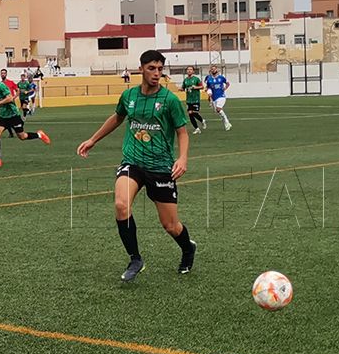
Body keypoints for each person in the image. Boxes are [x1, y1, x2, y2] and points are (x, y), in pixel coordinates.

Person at [77, 49, 196, 282]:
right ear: (141, 68)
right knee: (121, 205)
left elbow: (182, 133)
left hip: (161, 167)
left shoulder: (170, 100)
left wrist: (182, 159)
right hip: (132, 161)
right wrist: (93, 140)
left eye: (160, 69)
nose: (156, 73)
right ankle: (135, 258)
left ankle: (188, 248)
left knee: (171, 225)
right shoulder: (129, 96)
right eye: (152, 68)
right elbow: (117, 117)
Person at [0, 71, 50, 167]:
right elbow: (1, 100)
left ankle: (39, 135)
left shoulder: (1, 86)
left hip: (13, 115)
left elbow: (10, 98)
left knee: (22, 136)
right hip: (3, 116)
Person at [204, 65, 232, 131]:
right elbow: (208, 87)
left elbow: (227, 83)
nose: (213, 70)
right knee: (217, 111)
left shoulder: (221, 77)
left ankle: (227, 122)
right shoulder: (209, 79)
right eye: (212, 69)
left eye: (214, 69)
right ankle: (227, 123)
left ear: (216, 70)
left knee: (218, 109)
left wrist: (225, 88)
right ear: (211, 70)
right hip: (214, 97)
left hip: (221, 96)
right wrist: (209, 95)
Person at [181, 66, 207, 134]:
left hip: (195, 99)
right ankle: (197, 128)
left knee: (194, 113)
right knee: (190, 114)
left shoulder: (196, 79)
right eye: (188, 69)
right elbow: (183, 88)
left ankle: (202, 120)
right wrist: (180, 89)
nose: (189, 71)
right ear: (186, 71)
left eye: (191, 69)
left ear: (193, 71)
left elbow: (202, 87)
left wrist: (195, 87)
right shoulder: (185, 80)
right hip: (189, 100)